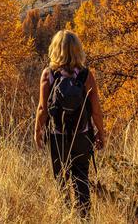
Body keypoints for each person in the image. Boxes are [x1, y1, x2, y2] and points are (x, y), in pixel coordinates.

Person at [33, 30, 106, 216]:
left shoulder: (48, 74)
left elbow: (43, 108)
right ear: (77, 50)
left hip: (58, 137)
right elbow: (96, 109)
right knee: (81, 177)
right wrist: (101, 133)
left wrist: (38, 132)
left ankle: (65, 216)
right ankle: (84, 218)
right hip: (82, 136)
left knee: (61, 179)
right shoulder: (86, 75)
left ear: (55, 50)